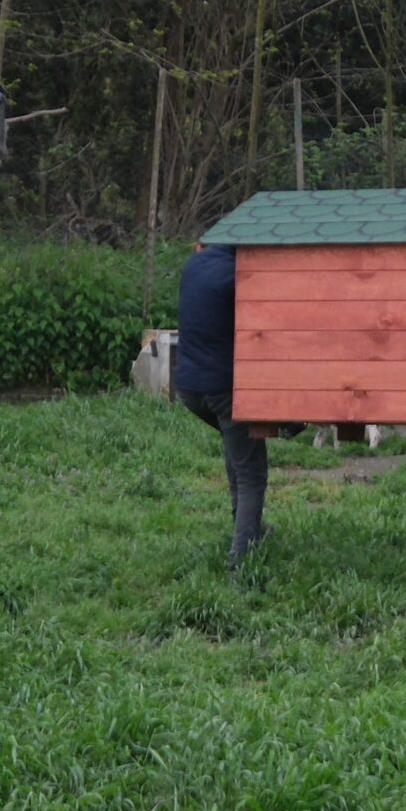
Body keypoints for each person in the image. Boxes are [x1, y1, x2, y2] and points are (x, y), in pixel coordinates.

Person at [174, 242, 268, 570]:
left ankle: (248, 528)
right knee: (251, 471)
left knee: (237, 452)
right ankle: (241, 558)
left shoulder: (193, 265)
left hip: (188, 388)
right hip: (223, 388)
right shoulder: (238, 274)